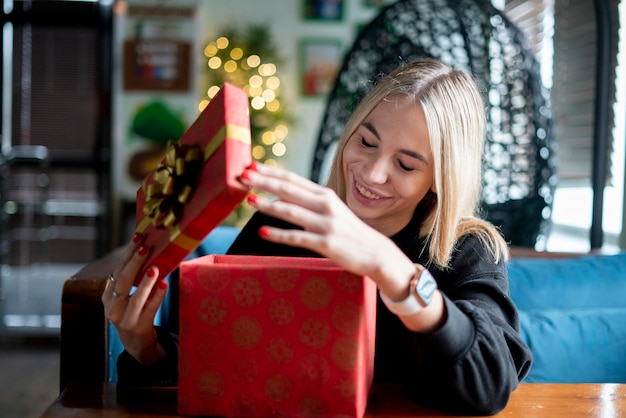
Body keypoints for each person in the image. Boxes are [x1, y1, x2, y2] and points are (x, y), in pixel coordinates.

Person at [102, 58, 532, 415]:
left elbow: (491, 383)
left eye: (406, 165)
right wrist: (147, 347)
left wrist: (391, 271)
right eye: (366, 141)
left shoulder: (469, 249)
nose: (372, 173)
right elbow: (214, 361)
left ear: (440, 178)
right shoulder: (287, 223)